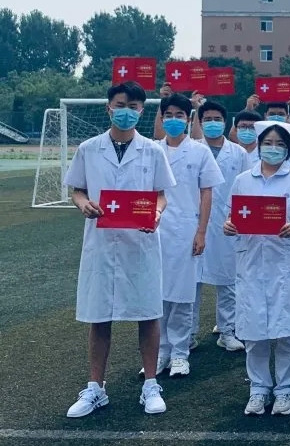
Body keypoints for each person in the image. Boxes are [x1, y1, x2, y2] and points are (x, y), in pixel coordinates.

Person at [65, 81, 176, 418]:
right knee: (99, 315)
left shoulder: (153, 151)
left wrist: (156, 214)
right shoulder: (89, 149)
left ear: (141, 111)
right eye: (120, 104)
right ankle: (95, 388)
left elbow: (161, 195)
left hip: (141, 241)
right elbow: (77, 189)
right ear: (108, 107)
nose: (126, 111)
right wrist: (83, 204)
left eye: (133, 106)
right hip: (101, 242)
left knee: (148, 312)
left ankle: (151, 384)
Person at [224, 121, 290, 416]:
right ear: (259, 146)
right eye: (268, 143)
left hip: (285, 263)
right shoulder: (243, 180)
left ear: (288, 149)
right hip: (251, 262)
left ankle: (285, 389)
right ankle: (258, 389)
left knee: (288, 331)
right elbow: (232, 216)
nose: (273, 148)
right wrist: (229, 226)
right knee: (254, 333)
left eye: (279, 144)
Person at [153, 94, 224, 378]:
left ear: (188, 118)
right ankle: (160, 352)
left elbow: (207, 193)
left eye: (179, 115)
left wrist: (202, 232)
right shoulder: (152, 150)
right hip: (154, 229)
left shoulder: (199, 151)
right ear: (161, 117)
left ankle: (180, 353)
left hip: (186, 230)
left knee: (183, 296)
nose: (174, 120)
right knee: (157, 296)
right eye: (168, 114)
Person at [191, 99, 252, 352]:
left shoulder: (239, 153)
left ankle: (227, 331)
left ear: (226, 123)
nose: (213, 123)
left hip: (228, 223)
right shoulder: (192, 149)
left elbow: (247, 188)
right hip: (195, 222)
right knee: (191, 282)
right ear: (200, 122)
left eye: (217, 119)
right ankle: (188, 334)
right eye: (207, 119)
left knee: (228, 280)